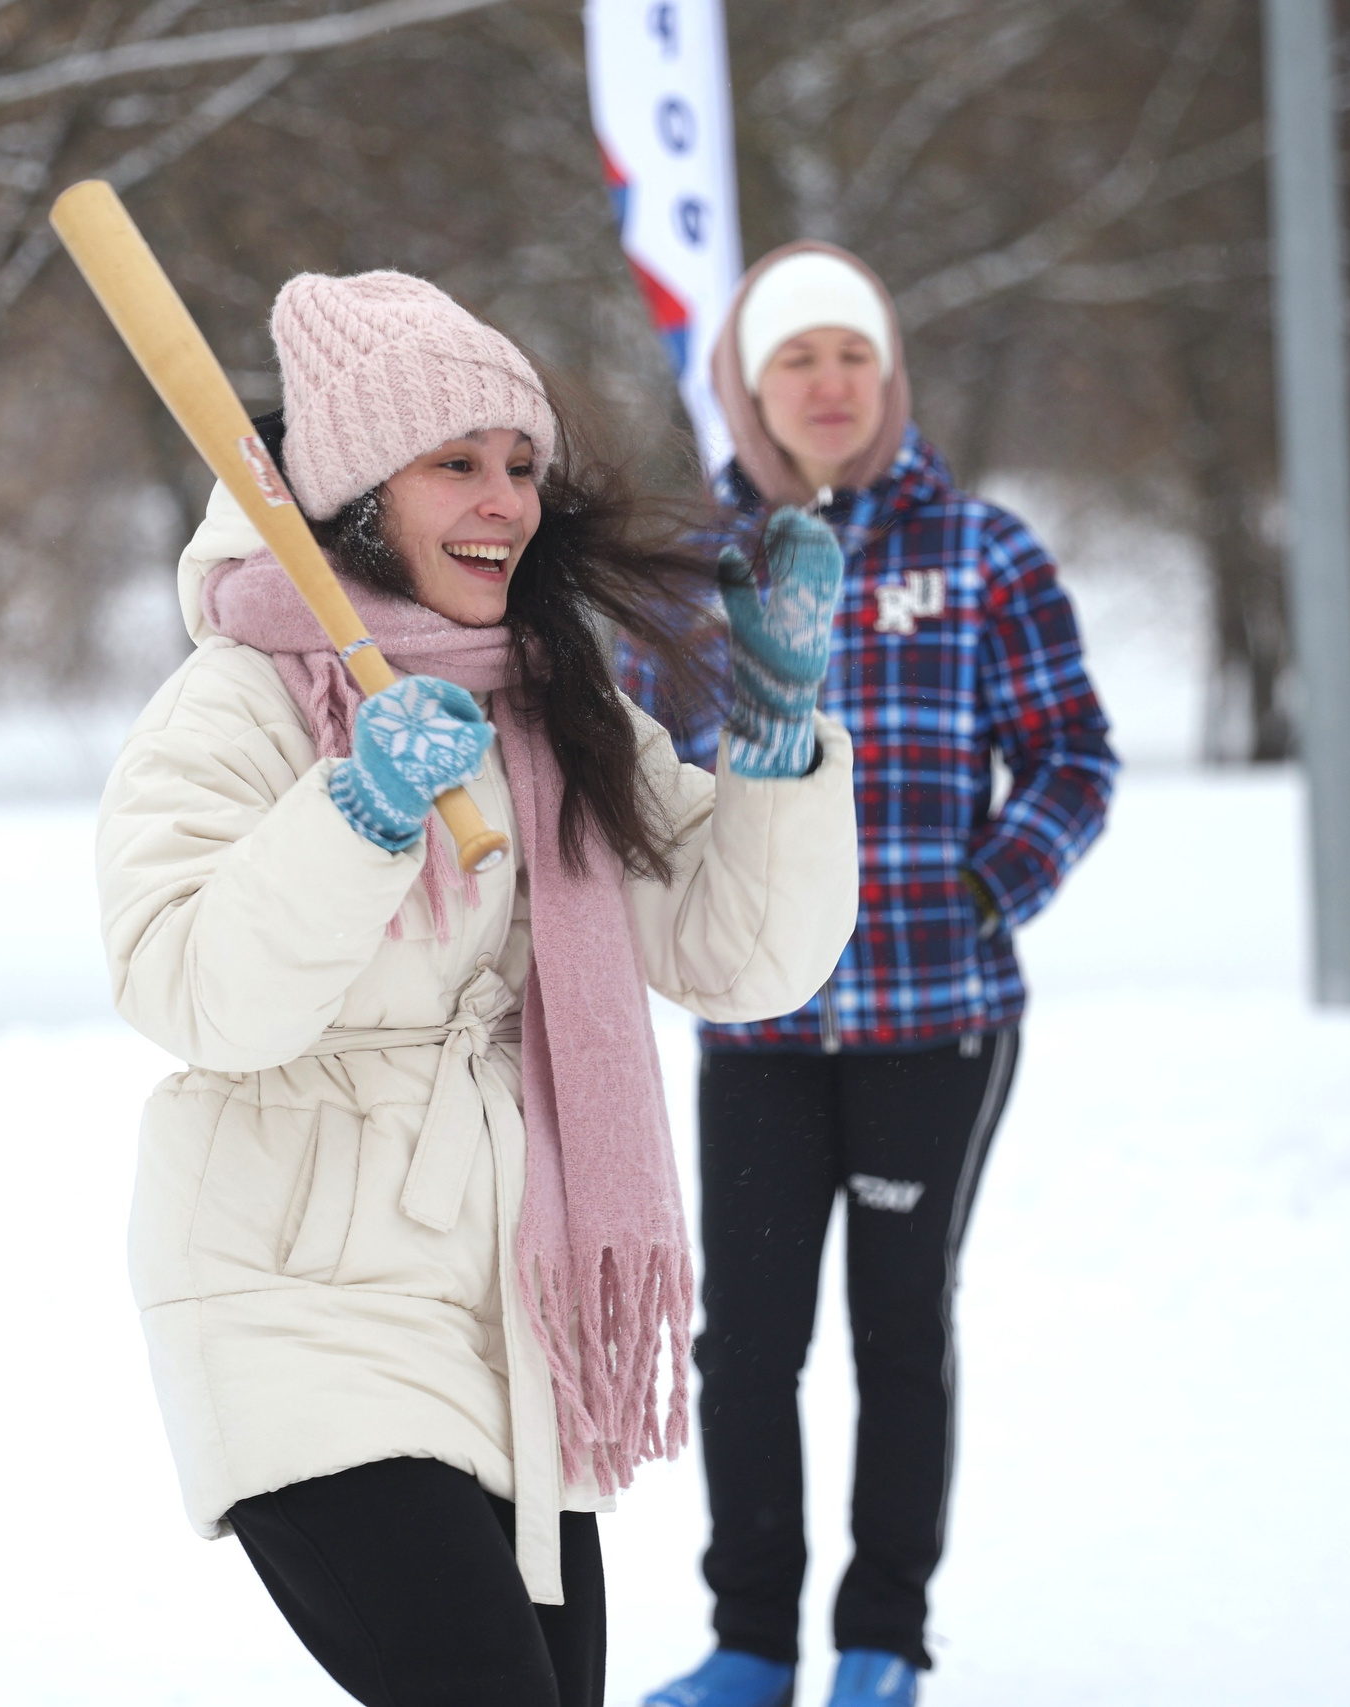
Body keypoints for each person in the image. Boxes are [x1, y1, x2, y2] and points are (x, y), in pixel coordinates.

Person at [97, 270, 864, 1707]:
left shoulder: (554, 698)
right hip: (294, 1301)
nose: (503, 499)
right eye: (455, 463)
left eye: (519, 464)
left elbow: (734, 953)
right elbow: (194, 991)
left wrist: (772, 739)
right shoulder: (237, 703)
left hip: (513, 1316)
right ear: (355, 492)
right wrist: (360, 815)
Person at [632, 244, 1118, 1707]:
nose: (828, 384)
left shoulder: (982, 552)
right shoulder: (695, 569)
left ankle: (881, 1641)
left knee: (901, 1329)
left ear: (888, 375)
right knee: (750, 1349)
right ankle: (748, 1644)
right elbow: (658, 778)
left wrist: (987, 888)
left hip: (935, 1020)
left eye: (852, 355)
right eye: (797, 361)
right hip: (762, 1023)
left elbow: (1075, 757)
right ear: (753, 391)